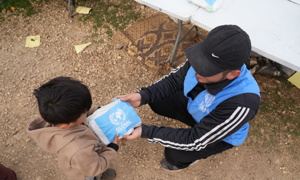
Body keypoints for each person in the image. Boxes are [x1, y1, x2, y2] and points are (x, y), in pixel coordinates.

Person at [117, 25, 261, 171]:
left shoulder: (243, 103)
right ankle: (194, 126)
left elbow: (195, 140)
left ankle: (186, 160)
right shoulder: (203, 60)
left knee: (175, 155)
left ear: (232, 74)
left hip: (221, 134)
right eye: (199, 60)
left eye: (206, 69)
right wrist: (143, 96)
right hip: (198, 110)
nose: (197, 68)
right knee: (155, 99)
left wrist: (146, 132)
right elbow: (174, 80)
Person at [27, 77, 121, 180]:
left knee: (92, 163)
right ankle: (98, 176)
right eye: (84, 111)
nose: (87, 111)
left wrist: (99, 111)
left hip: (85, 161)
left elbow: (82, 110)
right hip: (85, 173)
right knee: (94, 173)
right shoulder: (78, 149)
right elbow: (94, 168)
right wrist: (112, 148)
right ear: (65, 125)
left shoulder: (59, 116)